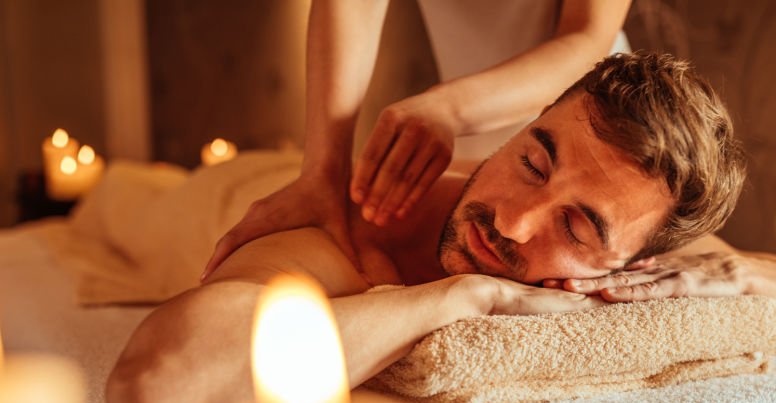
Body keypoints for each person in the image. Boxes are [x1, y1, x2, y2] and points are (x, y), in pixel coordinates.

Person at [107, 52, 776, 403]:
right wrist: (456, 298)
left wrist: (744, 272)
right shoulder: (354, 228)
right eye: (532, 160)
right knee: (131, 200)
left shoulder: (651, 251)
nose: (515, 224)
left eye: (579, 227)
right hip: (232, 192)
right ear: (520, 128)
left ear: (628, 260)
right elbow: (155, 396)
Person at [200, 0, 633, 282]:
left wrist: (449, 109)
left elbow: (585, 39)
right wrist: (321, 173)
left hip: (599, 136)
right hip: (479, 149)